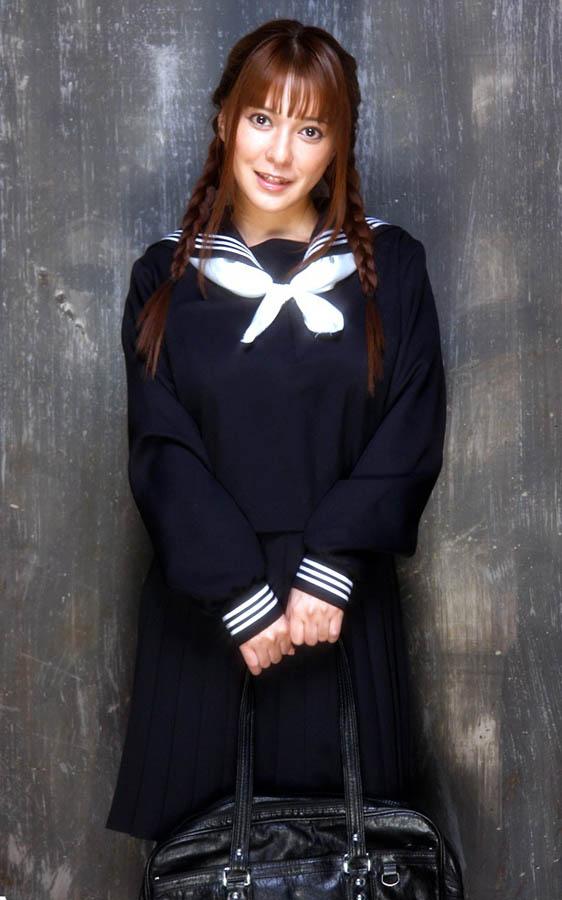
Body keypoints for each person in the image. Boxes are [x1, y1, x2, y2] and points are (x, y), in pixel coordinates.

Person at [106, 19, 446, 844]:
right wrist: (237, 594)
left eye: (311, 129)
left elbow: (411, 427)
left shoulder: (391, 269)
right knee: (198, 869)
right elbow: (162, 451)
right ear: (225, 118)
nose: (281, 153)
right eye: (261, 118)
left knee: (360, 864)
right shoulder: (165, 277)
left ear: (339, 145)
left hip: (341, 616)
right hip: (206, 625)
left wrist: (328, 571)